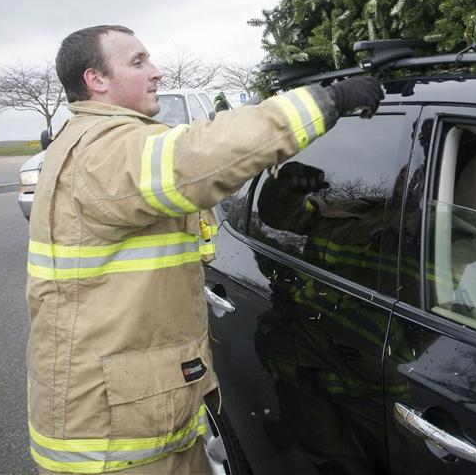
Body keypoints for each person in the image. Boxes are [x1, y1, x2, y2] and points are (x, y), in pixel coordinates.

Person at [25, 24, 384, 475]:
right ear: (95, 80)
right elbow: (199, 155)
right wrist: (327, 101)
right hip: (116, 443)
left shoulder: (90, 141)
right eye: (137, 62)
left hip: (129, 416)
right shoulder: (105, 150)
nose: (155, 72)